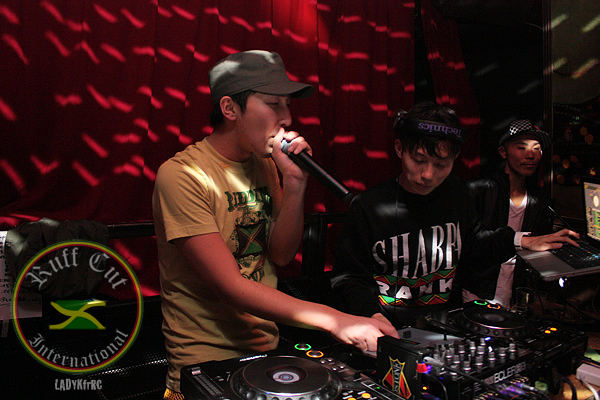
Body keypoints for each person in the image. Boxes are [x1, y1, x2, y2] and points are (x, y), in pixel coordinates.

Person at [152, 50, 398, 399]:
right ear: (230, 108)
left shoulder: (265, 164)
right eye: (273, 104)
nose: (287, 117)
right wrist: (336, 320)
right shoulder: (182, 175)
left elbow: (281, 255)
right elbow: (230, 287)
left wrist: (295, 183)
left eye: (287, 105)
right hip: (204, 362)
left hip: (265, 349)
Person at [330, 101, 578, 328]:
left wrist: (522, 241)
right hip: (387, 328)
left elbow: (474, 243)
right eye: (418, 160)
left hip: (444, 326)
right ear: (399, 148)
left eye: (441, 164)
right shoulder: (368, 206)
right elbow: (349, 277)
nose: (428, 174)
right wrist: (371, 315)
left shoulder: (456, 193)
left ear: (455, 157)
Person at [461, 120, 554, 307]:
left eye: (537, 149)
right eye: (521, 148)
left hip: (516, 294)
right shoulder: (478, 190)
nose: (530, 155)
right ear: (503, 152)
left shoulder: (538, 201)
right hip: (478, 292)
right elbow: (469, 245)